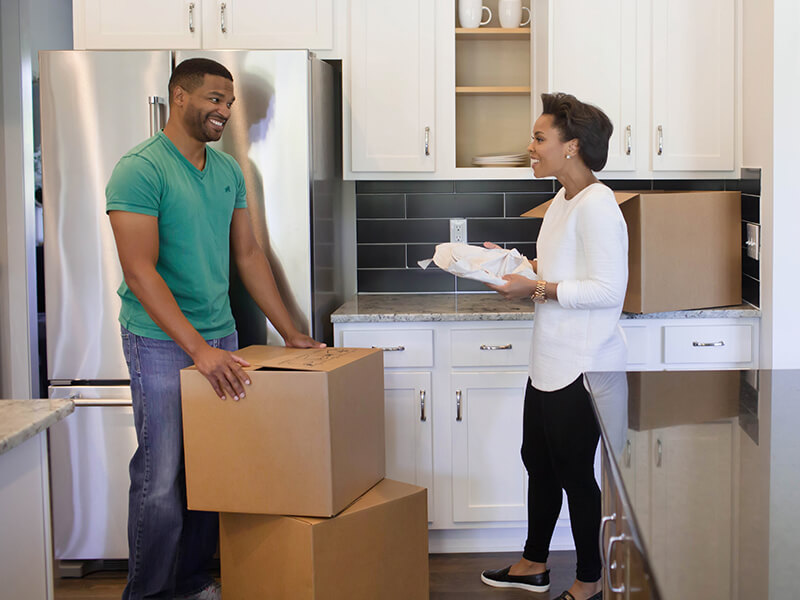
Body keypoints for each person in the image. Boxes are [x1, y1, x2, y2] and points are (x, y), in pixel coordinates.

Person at [105, 58, 323, 600]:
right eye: (213, 99)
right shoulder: (141, 168)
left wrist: (290, 332)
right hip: (159, 342)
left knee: (210, 473)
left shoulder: (226, 171)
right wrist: (197, 349)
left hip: (219, 336)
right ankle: (149, 593)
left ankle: (192, 581)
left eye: (229, 102)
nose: (224, 110)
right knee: (160, 480)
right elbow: (139, 269)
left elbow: (247, 254)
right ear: (179, 97)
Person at [480, 92, 628, 600]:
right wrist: (513, 266)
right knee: (537, 460)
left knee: (573, 475)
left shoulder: (598, 205)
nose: (531, 146)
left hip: (583, 365)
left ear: (573, 146)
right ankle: (533, 562)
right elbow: (561, 272)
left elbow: (610, 291)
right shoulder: (563, 201)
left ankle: (589, 581)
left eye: (540, 138)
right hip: (549, 359)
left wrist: (536, 289)